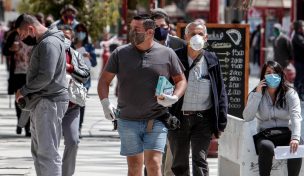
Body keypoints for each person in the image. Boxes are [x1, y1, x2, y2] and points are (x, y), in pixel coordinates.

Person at [97, 14, 187, 176]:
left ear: (150, 32)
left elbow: (181, 80)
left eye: (135, 29)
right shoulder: (120, 53)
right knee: (134, 168)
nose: (130, 32)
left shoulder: (167, 54)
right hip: (127, 120)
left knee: (153, 164)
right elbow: (104, 81)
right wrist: (105, 103)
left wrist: (174, 97)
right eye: (131, 28)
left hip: (156, 119)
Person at [167, 21, 228, 176]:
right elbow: (165, 86)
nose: (196, 37)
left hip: (203, 120)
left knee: (200, 161)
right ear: (186, 37)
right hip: (178, 118)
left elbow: (220, 92)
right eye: (193, 34)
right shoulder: (175, 57)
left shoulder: (212, 60)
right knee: (179, 163)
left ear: (206, 38)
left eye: (200, 34)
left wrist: (221, 122)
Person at [14, 14, 69, 176]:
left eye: (23, 35)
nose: (22, 39)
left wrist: (23, 90)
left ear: (31, 28)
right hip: (44, 102)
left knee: (47, 153)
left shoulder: (49, 43)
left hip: (49, 102)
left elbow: (46, 76)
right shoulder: (46, 42)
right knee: (40, 152)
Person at [243, 61, 302, 176]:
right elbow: (247, 117)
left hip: (285, 133)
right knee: (266, 147)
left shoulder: (290, 93)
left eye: (276, 73)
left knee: (297, 145)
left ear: (281, 75)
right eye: (269, 72)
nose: (273, 76)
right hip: (265, 135)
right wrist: (258, 94)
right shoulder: (256, 93)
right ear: (263, 76)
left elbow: (296, 116)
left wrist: (295, 138)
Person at [151, 9, 186, 176]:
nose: (160, 29)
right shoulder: (144, 46)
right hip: (150, 108)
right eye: (156, 26)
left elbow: (186, 77)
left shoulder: (180, 45)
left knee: (171, 160)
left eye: (163, 26)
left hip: (174, 107)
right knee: (152, 158)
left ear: (169, 27)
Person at [60, 25, 90, 176]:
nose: (65, 39)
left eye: (68, 37)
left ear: (72, 40)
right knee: (48, 145)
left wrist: (70, 68)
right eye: (62, 36)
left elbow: (86, 74)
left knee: (73, 141)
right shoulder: (48, 54)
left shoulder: (76, 55)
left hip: (72, 106)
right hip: (52, 107)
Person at [2, 28, 32, 136]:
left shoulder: (33, 36)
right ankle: (20, 122)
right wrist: (11, 49)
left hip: (30, 74)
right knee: (19, 99)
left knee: (29, 100)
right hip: (17, 73)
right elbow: (5, 51)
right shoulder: (13, 36)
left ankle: (27, 127)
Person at [73, 23, 97, 137]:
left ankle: (78, 127)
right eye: (78, 31)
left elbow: (94, 63)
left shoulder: (89, 46)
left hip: (84, 80)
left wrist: (89, 56)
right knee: (71, 102)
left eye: (82, 31)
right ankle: (70, 127)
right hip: (71, 78)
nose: (80, 33)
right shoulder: (70, 45)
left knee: (81, 103)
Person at [292, 20, 304, 100]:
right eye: (303, 26)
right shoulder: (298, 37)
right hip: (300, 62)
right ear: (299, 28)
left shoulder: (300, 36)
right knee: (300, 79)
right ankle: (298, 95)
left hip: (301, 62)